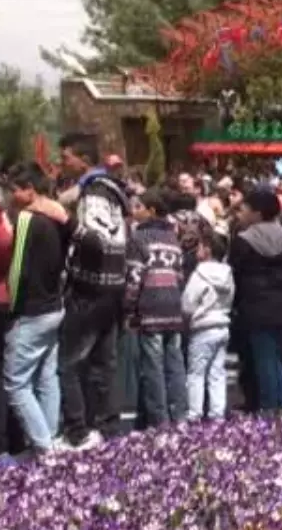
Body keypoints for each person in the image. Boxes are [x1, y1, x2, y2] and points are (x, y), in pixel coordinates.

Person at [56, 132, 130, 451]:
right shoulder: (109, 189)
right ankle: (108, 426)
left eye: (66, 157)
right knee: (104, 363)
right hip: (111, 288)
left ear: (83, 160)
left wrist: (66, 221)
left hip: (91, 289)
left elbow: (97, 239)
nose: (62, 162)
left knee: (69, 363)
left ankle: (77, 431)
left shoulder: (95, 193)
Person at [3, 163, 67, 454]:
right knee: (46, 376)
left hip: (32, 310)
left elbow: (17, 270)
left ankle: (43, 446)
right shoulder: (55, 217)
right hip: (55, 305)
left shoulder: (27, 218)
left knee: (16, 384)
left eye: (15, 189)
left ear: (29, 190)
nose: (12, 195)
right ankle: (49, 438)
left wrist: (12, 307)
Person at [231, 187, 282, 412]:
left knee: (264, 359)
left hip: (255, 307)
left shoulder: (243, 240)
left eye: (244, 209)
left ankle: (271, 407)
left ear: (257, 213)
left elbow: (235, 274)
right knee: (278, 357)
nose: (240, 213)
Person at [125, 189, 187, 428]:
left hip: (150, 307)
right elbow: (180, 275)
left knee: (153, 367)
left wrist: (129, 310)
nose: (134, 212)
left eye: (138, 207)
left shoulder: (139, 239)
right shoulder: (172, 239)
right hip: (173, 305)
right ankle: (179, 415)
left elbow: (134, 279)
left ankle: (159, 419)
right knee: (175, 363)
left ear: (151, 211)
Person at [182, 233, 234, 420]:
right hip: (222, 325)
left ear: (208, 250)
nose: (197, 250)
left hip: (203, 327)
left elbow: (188, 303)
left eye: (201, 246)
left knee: (196, 373)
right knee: (217, 372)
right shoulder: (227, 273)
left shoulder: (199, 273)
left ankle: (194, 413)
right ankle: (217, 414)